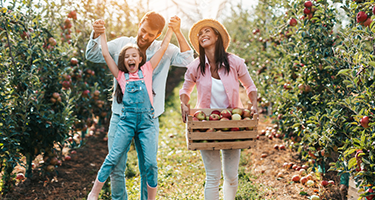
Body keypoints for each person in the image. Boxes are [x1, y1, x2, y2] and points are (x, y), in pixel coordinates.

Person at [85, 11, 193, 200]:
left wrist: (177, 31)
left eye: (150, 34)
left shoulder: (164, 50)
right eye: (143, 30)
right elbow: (93, 54)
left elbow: (188, 60)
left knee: (148, 165)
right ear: (140, 23)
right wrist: (97, 33)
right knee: (116, 165)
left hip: (148, 118)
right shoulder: (121, 45)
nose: (144, 36)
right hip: (121, 115)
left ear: (158, 35)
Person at [179, 19, 258, 200]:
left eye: (207, 31)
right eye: (200, 34)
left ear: (217, 36)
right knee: (213, 176)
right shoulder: (195, 66)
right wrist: (184, 103)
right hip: (206, 125)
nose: (202, 35)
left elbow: (250, 87)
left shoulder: (235, 62)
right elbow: (185, 90)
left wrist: (253, 104)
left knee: (231, 176)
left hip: (232, 124)